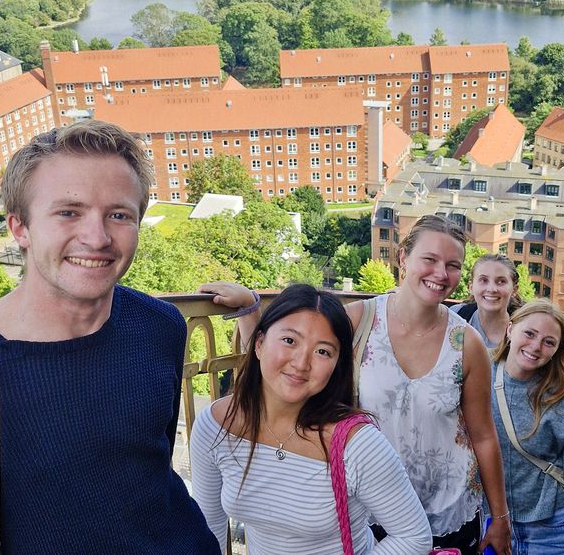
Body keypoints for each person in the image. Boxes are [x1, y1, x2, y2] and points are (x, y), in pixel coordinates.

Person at [0, 122, 219, 553]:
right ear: (19, 227)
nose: (97, 238)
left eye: (119, 214)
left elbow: (150, 469)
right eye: (69, 212)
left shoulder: (159, 325)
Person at [200, 215, 512, 555]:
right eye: (430, 259)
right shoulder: (358, 321)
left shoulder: (467, 344)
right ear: (403, 257)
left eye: (453, 265)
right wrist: (251, 313)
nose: (441, 273)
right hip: (366, 505)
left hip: (446, 510)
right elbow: (295, 370)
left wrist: (500, 517)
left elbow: (483, 435)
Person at [190, 284, 432, 555]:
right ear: (259, 344)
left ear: (337, 365)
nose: (301, 363)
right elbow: (207, 529)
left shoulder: (357, 444)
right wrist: (249, 308)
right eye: (289, 341)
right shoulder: (216, 426)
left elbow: (414, 536)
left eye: (323, 351)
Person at [491, 300, 564, 555]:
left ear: (557, 350)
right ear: (510, 329)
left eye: (549, 342)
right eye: (529, 333)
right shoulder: (479, 372)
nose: (536, 347)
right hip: (490, 522)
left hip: (551, 529)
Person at [453, 254, 523, 349]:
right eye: (483, 280)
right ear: (471, 287)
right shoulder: (455, 316)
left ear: (514, 290)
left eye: (501, 281)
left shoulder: (524, 330)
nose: (491, 289)